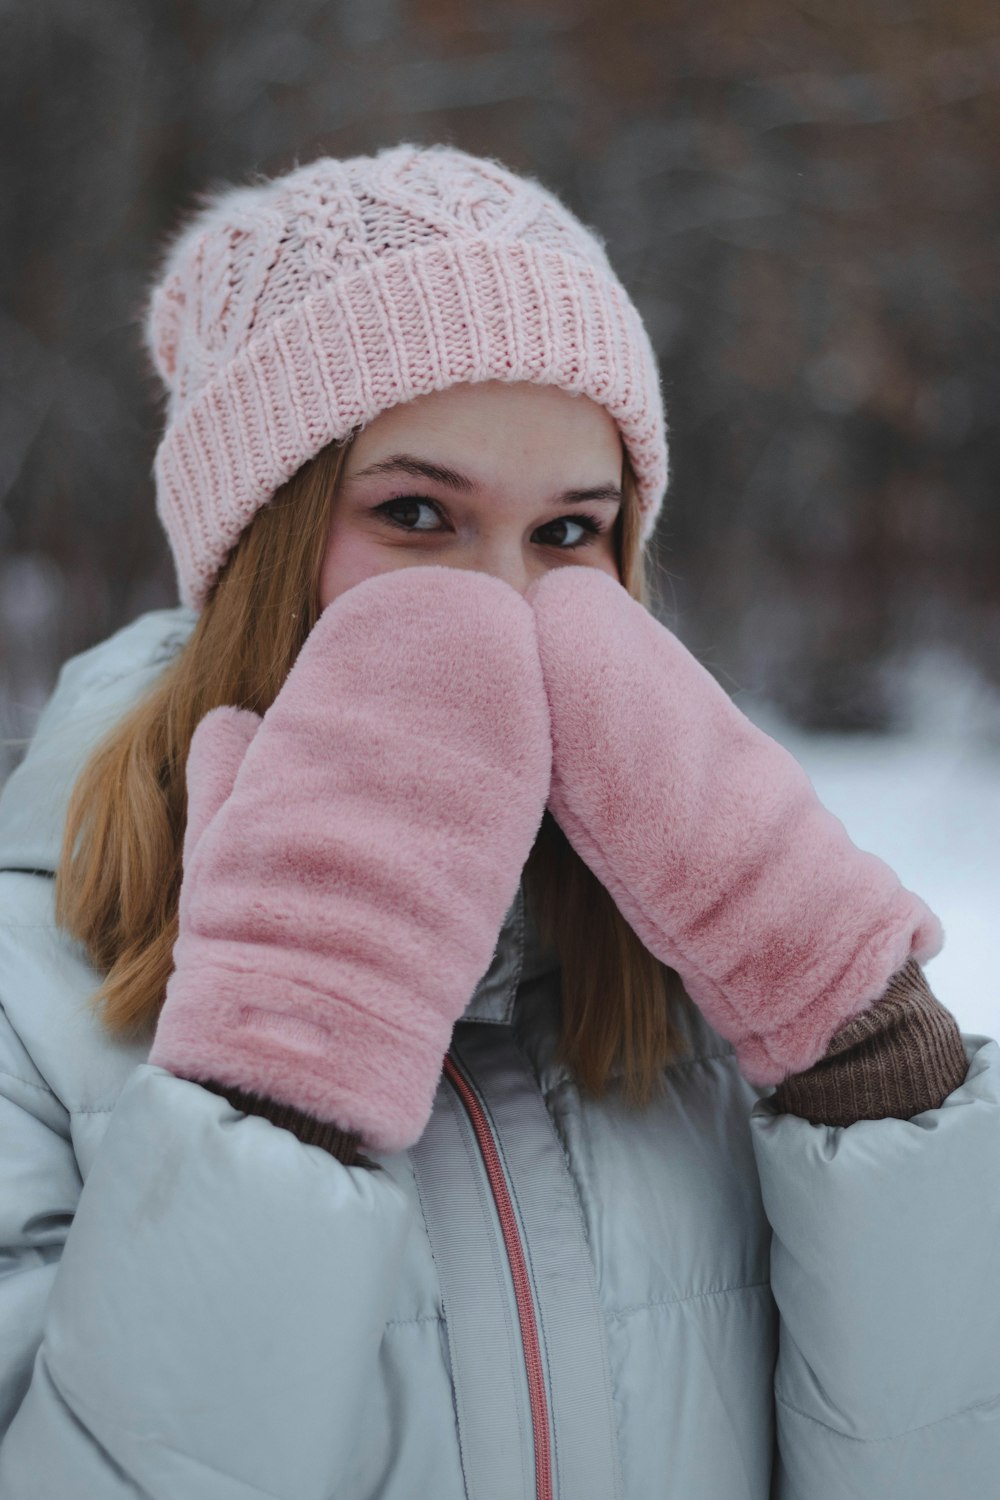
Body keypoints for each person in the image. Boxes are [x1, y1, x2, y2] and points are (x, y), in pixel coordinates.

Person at [0, 142, 996, 1500]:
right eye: (418, 514)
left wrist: (859, 1047)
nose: (507, 609)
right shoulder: (22, 999)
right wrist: (287, 1054)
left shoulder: (709, 974)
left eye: (570, 535)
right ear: (260, 550)